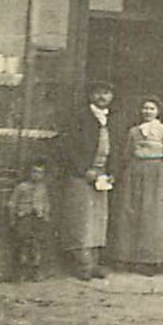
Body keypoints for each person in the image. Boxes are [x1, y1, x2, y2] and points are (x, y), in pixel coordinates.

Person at [113, 98, 163, 274]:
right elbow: (127, 153)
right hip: (135, 171)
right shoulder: (133, 131)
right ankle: (129, 258)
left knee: (153, 214)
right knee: (131, 212)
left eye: (151, 108)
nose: (147, 111)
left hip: (156, 172)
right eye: (144, 108)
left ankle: (154, 260)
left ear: (158, 111)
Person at [57, 82, 115, 280]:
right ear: (91, 95)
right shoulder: (79, 117)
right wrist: (83, 169)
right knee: (81, 219)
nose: (102, 97)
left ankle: (94, 262)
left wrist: (110, 171)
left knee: (99, 218)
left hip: (101, 175)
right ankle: (81, 264)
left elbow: (116, 147)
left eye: (106, 93)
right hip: (81, 175)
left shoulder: (111, 119)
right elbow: (68, 146)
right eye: (98, 93)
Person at [7, 159, 51, 281]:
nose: (37, 175)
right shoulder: (22, 187)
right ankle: (21, 272)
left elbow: (46, 203)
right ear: (29, 173)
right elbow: (12, 203)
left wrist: (45, 215)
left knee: (36, 244)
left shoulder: (43, 188)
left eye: (40, 173)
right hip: (24, 217)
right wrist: (13, 218)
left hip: (37, 218)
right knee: (23, 244)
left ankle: (36, 271)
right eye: (34, 172)